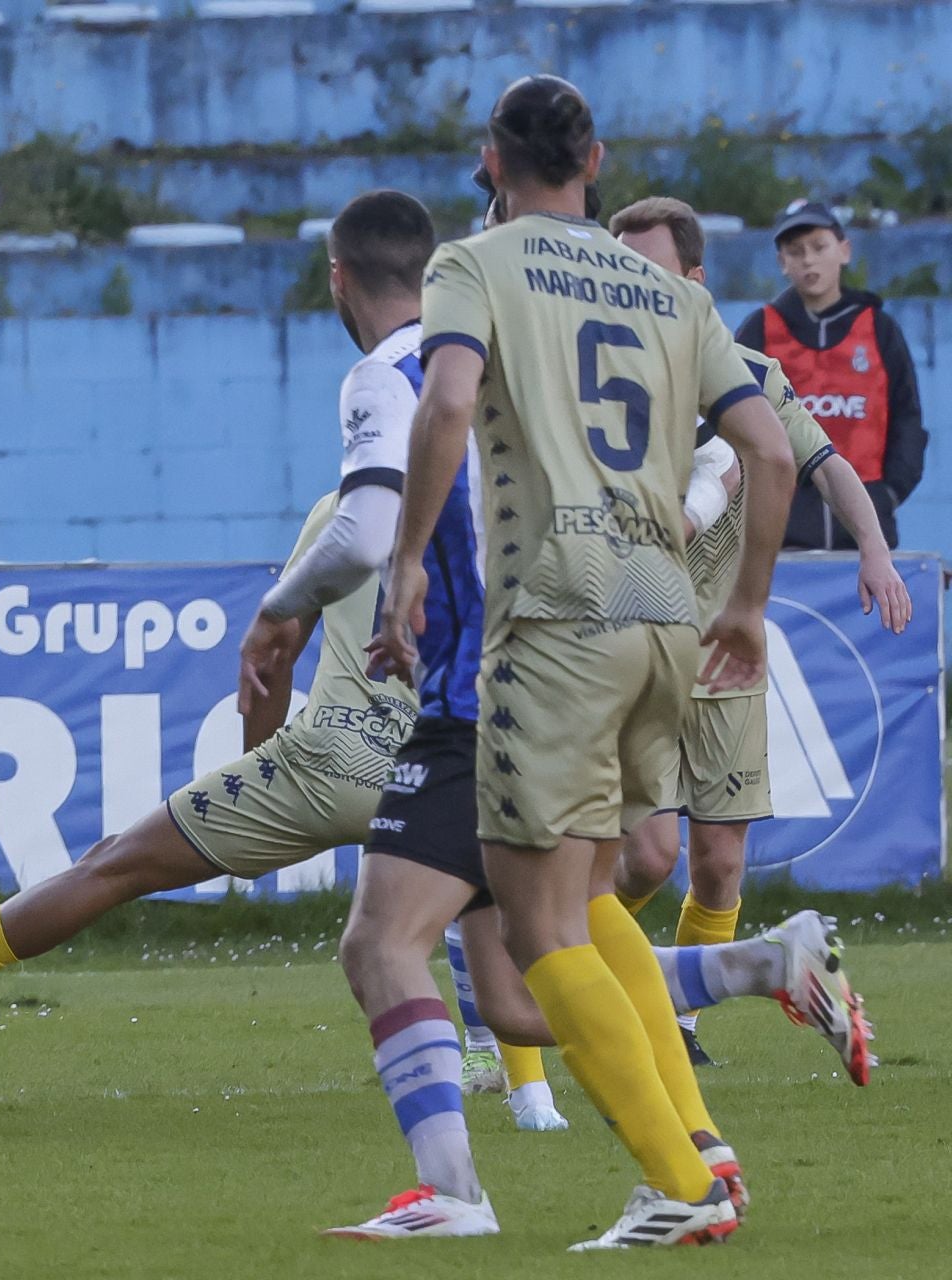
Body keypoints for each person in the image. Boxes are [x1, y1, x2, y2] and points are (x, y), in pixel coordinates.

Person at [0, 192, 445, 1056]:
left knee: (114, 863)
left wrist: (259, 757)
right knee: (534, 925)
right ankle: (538, 1087)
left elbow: (273, 670)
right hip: (454, 752)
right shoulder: (491, 431)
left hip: (333, 760)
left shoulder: (342, 508)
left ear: (336, 279)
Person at [373, 75, 799, 1249]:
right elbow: (767, 449)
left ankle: (678, 1182)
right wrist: (749, 601)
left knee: (538, 923)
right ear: (597, 158)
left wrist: (409, 559)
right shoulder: (672, 290)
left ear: (488, 158)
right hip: (665, 607)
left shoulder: (476, 260)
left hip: (555, 609)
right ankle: (702, 1141)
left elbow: (448, 399)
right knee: (595, 891)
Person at [610, 196, 902, 1072]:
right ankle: (560, 971)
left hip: (728, 659)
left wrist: (876, 550)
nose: (629, 290)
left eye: (648, 273)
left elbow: (826, 465)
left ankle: (679, 1017)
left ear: (692, 283)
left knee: (719, 865)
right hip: (639, 655)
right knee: (647, 857)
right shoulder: (606, 388)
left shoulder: (754, 379)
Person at [734, 200, 928, 550]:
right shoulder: (760, 330)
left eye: (819, 247)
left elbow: (908, 420)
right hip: (779, 538)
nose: (808, 259)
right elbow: (732, 420)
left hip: (867, 537)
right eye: (795, 251)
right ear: (782, 263)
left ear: (844, 250)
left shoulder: (879, 329)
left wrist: (888, 494)